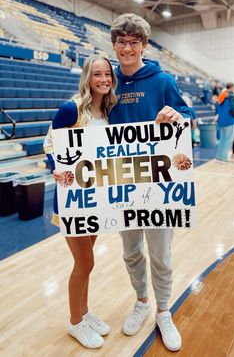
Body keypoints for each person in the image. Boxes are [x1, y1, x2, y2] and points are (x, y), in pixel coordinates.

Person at [109, 13, 192, 352]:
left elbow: (188, 115)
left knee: (161, 254)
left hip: (159, 183)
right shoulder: (105, 80)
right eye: (121, 41)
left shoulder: (163, 81)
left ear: (144, 45)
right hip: (121, 182)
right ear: (114, 45)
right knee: (131, 252)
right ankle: (142, 300)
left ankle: (163, 310)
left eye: (134, 42)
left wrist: (179, 115)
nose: (127, 48)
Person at [44, 55, 117, 349]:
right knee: (84, 261)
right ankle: (75, 322)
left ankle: (84, 313)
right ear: (87, 76)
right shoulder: (70, 108)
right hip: (73, 200)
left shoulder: (109, 111)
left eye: (107, 74)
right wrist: (56, 167)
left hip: (96, 196)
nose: (103, 79)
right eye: (97, 74)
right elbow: (49, 143)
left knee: (88, 262)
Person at [216, 82, 234, 162]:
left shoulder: (221, 96)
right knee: (228, 140)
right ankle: (224, 158)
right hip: (230, 121)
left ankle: (219, 157)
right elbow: (233, 109)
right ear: (231, 87)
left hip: (222, 121)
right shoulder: (231, 97)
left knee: (222, 139)